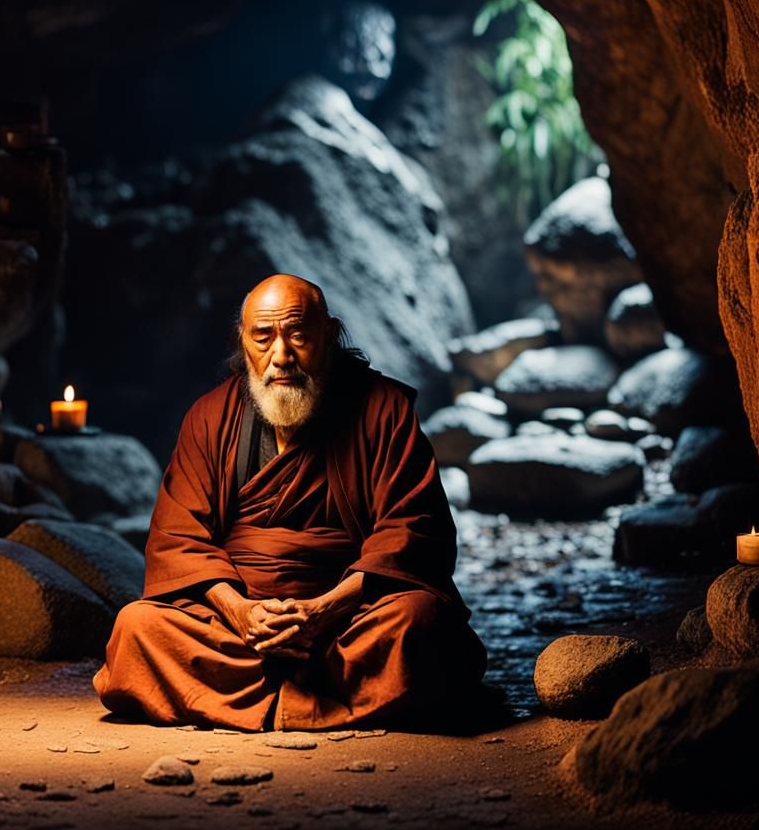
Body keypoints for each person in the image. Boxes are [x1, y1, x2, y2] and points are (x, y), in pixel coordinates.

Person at [93, 273, 485, 730]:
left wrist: (323, 610)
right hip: (237, 626)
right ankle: (330, 701)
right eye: (263, 338)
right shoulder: (210, 417)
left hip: (346, 619)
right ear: (243, 343)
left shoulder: (382, 410)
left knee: (419, 620)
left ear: (329, 336)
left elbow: (415, 531)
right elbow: (178, 540)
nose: (281, 356)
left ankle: (250, 704)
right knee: (137, 628)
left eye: (298, 335)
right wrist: (242, 612)